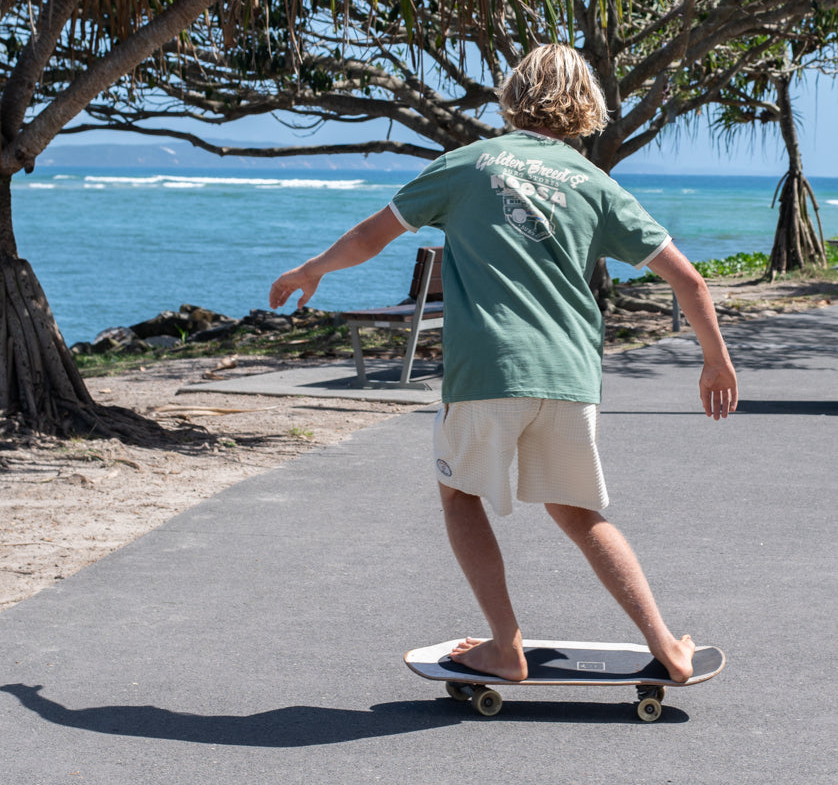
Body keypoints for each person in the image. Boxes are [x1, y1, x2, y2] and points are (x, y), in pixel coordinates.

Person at [269, 43, 738, 685]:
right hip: (571, 377)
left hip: (489, 369)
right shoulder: (597, 185)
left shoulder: (467, 165)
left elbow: (374, 235)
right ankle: (669, 647)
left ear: (515, 94)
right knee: (579, 513)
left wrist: (310, 269)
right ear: (586, 107)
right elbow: (688, 280)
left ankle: (504, 645)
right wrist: (716, 361)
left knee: (462, 495)